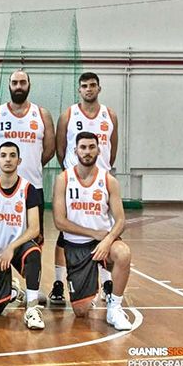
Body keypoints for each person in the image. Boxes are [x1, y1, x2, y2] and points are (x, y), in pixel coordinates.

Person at [50, 72, 119, 305]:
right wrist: (73, 172)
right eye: (84, 86)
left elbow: (112, 149)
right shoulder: (68, 115)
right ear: (79, 90)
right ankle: (58, 283)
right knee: (64, 236)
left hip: (101, 181)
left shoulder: (110, 115)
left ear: (99, 88)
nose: (88, 89)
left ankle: (107, 282)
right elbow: (61, 149)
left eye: (92, 85)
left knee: (106, 231)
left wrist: (101, 170)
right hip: (75, 180)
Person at [52, 131, 132, 331]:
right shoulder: (63, 179)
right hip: (76, 245)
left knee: (123, 253)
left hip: (102, 242)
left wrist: (107, 240)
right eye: (83, 147)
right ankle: (91, 288)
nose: (87, 152)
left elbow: (121, 220)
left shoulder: (109, 181)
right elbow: (59, 222)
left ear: (98, 150)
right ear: (75, 151)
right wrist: (93, 233)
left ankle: (115, 307)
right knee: (80, 311)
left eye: (91, 147)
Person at [0, 142, 45, 329]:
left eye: (12, 155)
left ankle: (32, 308)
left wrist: (11, 247)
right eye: (3, 155)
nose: (8, 159)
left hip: (17, 248)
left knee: (33, 253)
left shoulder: (28, 189)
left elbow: (34, 229)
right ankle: (12, 290)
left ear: (19, 161)